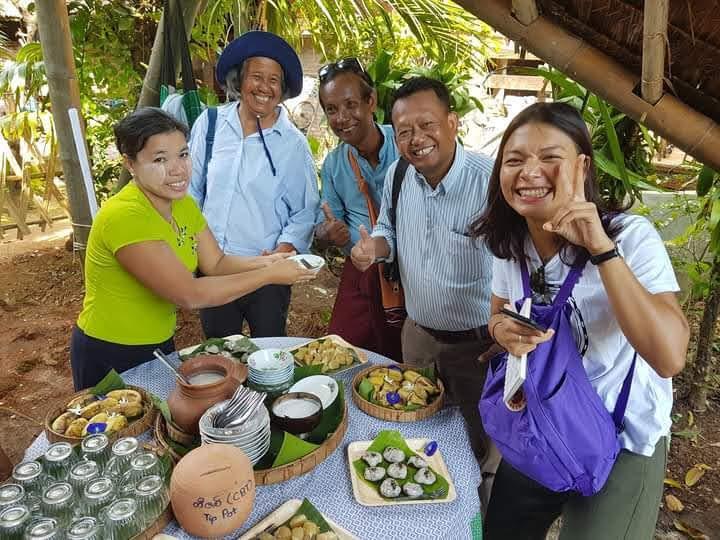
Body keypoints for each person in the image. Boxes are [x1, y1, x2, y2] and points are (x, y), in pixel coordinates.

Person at [472, 102, 689, 539]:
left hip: (622, 437)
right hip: (541, 423)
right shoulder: (510, 242)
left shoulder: (629, 237)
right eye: (514, 160)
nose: (529, 171)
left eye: (550, 158)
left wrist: (600, 247)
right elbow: (498, 315)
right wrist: (500, 329)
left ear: (582, 165)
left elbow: (669, 358)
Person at [70, 108, 316, 390]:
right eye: (160, 159)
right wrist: (269, 276)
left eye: (183, 155)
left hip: (158, 344)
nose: (178, 169)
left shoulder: (183, 204)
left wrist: (269, 263)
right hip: (110, 349)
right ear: (130, 164)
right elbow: (190, 294)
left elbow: (216, 263)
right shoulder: (125, 216)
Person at [350, 76, 500, 505]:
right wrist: (374, 248)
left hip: (478, 346)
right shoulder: (398, 173)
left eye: (427, 124)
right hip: (417, 338)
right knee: (418, 434)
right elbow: (387, 229)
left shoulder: (489, 183)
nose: (416, 139)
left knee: (479, 448)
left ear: (452, 122)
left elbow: (516, 260)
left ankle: (474, 523)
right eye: (404, 131)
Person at [189, 31, 320, 339]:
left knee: (269, 353)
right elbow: (191, 193)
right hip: (216, 268)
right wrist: (194, 246)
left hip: (267, 272)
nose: (264, 87)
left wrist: (282, 251)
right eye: (256, 77)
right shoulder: (209, 125)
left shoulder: (292, 144)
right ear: (240, 80)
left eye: (274, 80)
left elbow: (304, 211)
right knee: (220, 353)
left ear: (283, 88)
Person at [315, 57, 402, 360]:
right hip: (362, 269)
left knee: (401, 355)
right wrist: (330, 233)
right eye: (332, 109)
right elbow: (327, 225)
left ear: (371, 101)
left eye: (350, 105)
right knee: (343, 349)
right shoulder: (334, 165)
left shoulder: (405, 144)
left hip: (411, 267)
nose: (342, 117)